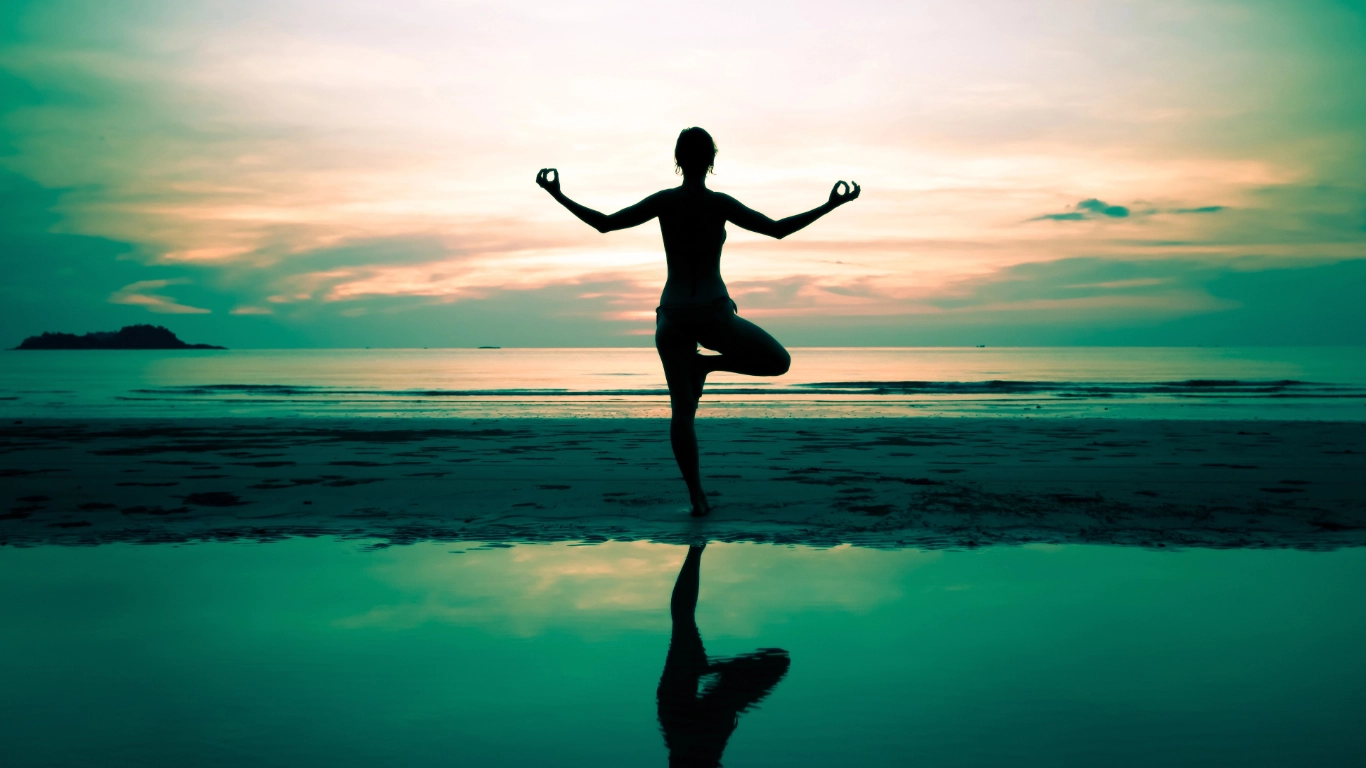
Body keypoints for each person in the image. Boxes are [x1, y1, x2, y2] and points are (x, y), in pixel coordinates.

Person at [537, 127, 859, 516]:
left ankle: (697, 496)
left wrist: (557, 195)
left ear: (677, 160)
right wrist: (830, 205)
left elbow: (605, 223)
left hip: (671, 315)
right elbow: (777, 230)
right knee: (779, 362)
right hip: (712, 311)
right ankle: (707, 364)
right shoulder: (719, 203)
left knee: (682, 411)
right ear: (711, 160)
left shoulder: (664, 201)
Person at [656, 544, 790, 767]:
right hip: (690, 719)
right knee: (683, 620)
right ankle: (696, 548)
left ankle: (696, 548)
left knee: (683, 621)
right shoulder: (706, 743)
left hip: (684, 717)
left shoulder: (699, 744)